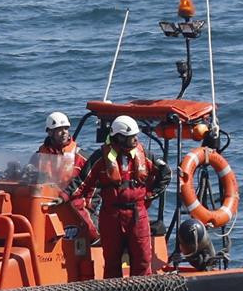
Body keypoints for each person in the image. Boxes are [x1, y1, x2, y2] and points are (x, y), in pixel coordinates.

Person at [69, 115, 171, 278]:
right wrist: (63, 196)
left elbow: (165, 173)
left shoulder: (144, 154)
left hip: (138, 213)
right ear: (120, 137)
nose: (136, 139)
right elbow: (83, 180)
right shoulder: (101, 157)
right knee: (112, 261)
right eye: (131, 137)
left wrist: (150, 194)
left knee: (143, 259)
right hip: (111, 215)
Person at [36, 111, 100, 241]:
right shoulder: (39, 156)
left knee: (92, 231)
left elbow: (94, 185)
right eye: (59, 129)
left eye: (66, 128)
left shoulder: (81, 157)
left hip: (75, 204)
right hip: (48, 203)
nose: (64, 132)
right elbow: (32, 181)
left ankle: (96, 240)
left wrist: (88, 205)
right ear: (49, 132)